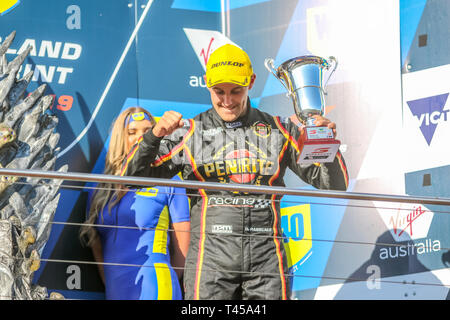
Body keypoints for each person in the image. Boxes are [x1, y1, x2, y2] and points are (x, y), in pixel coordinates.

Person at [121, 44, 349, 300]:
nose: (227, 101)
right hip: (210, 263)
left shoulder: (280, 129)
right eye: (219, 92)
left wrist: (325, 143)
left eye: (236, 91)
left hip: (267, 261)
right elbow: (130, 179)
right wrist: (153, 137)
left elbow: (334, 185)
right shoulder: (188, 132)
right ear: (206, 83)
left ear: (251, 82)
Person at [80, 107, 190, 300]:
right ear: (120, 138)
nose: (140, 137)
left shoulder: (169, 179)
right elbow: (96, 245)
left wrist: (167, 279)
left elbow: (183, 246)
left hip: (155, 284)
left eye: (147, 131)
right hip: (117, 289)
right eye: (132, 132)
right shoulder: (100, 188)